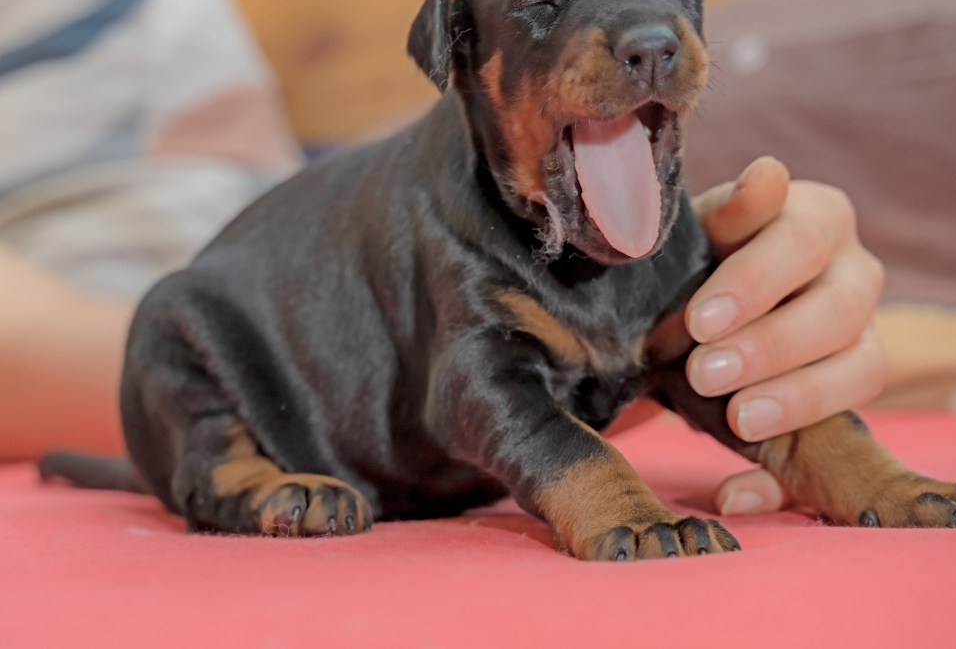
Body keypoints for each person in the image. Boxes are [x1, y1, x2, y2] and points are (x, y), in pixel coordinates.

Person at [0, 153, 885, 519]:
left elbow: (630, 362)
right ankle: (230, 474)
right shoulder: (446, 221)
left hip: (418, 446)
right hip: (224, 338)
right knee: (172, 315)